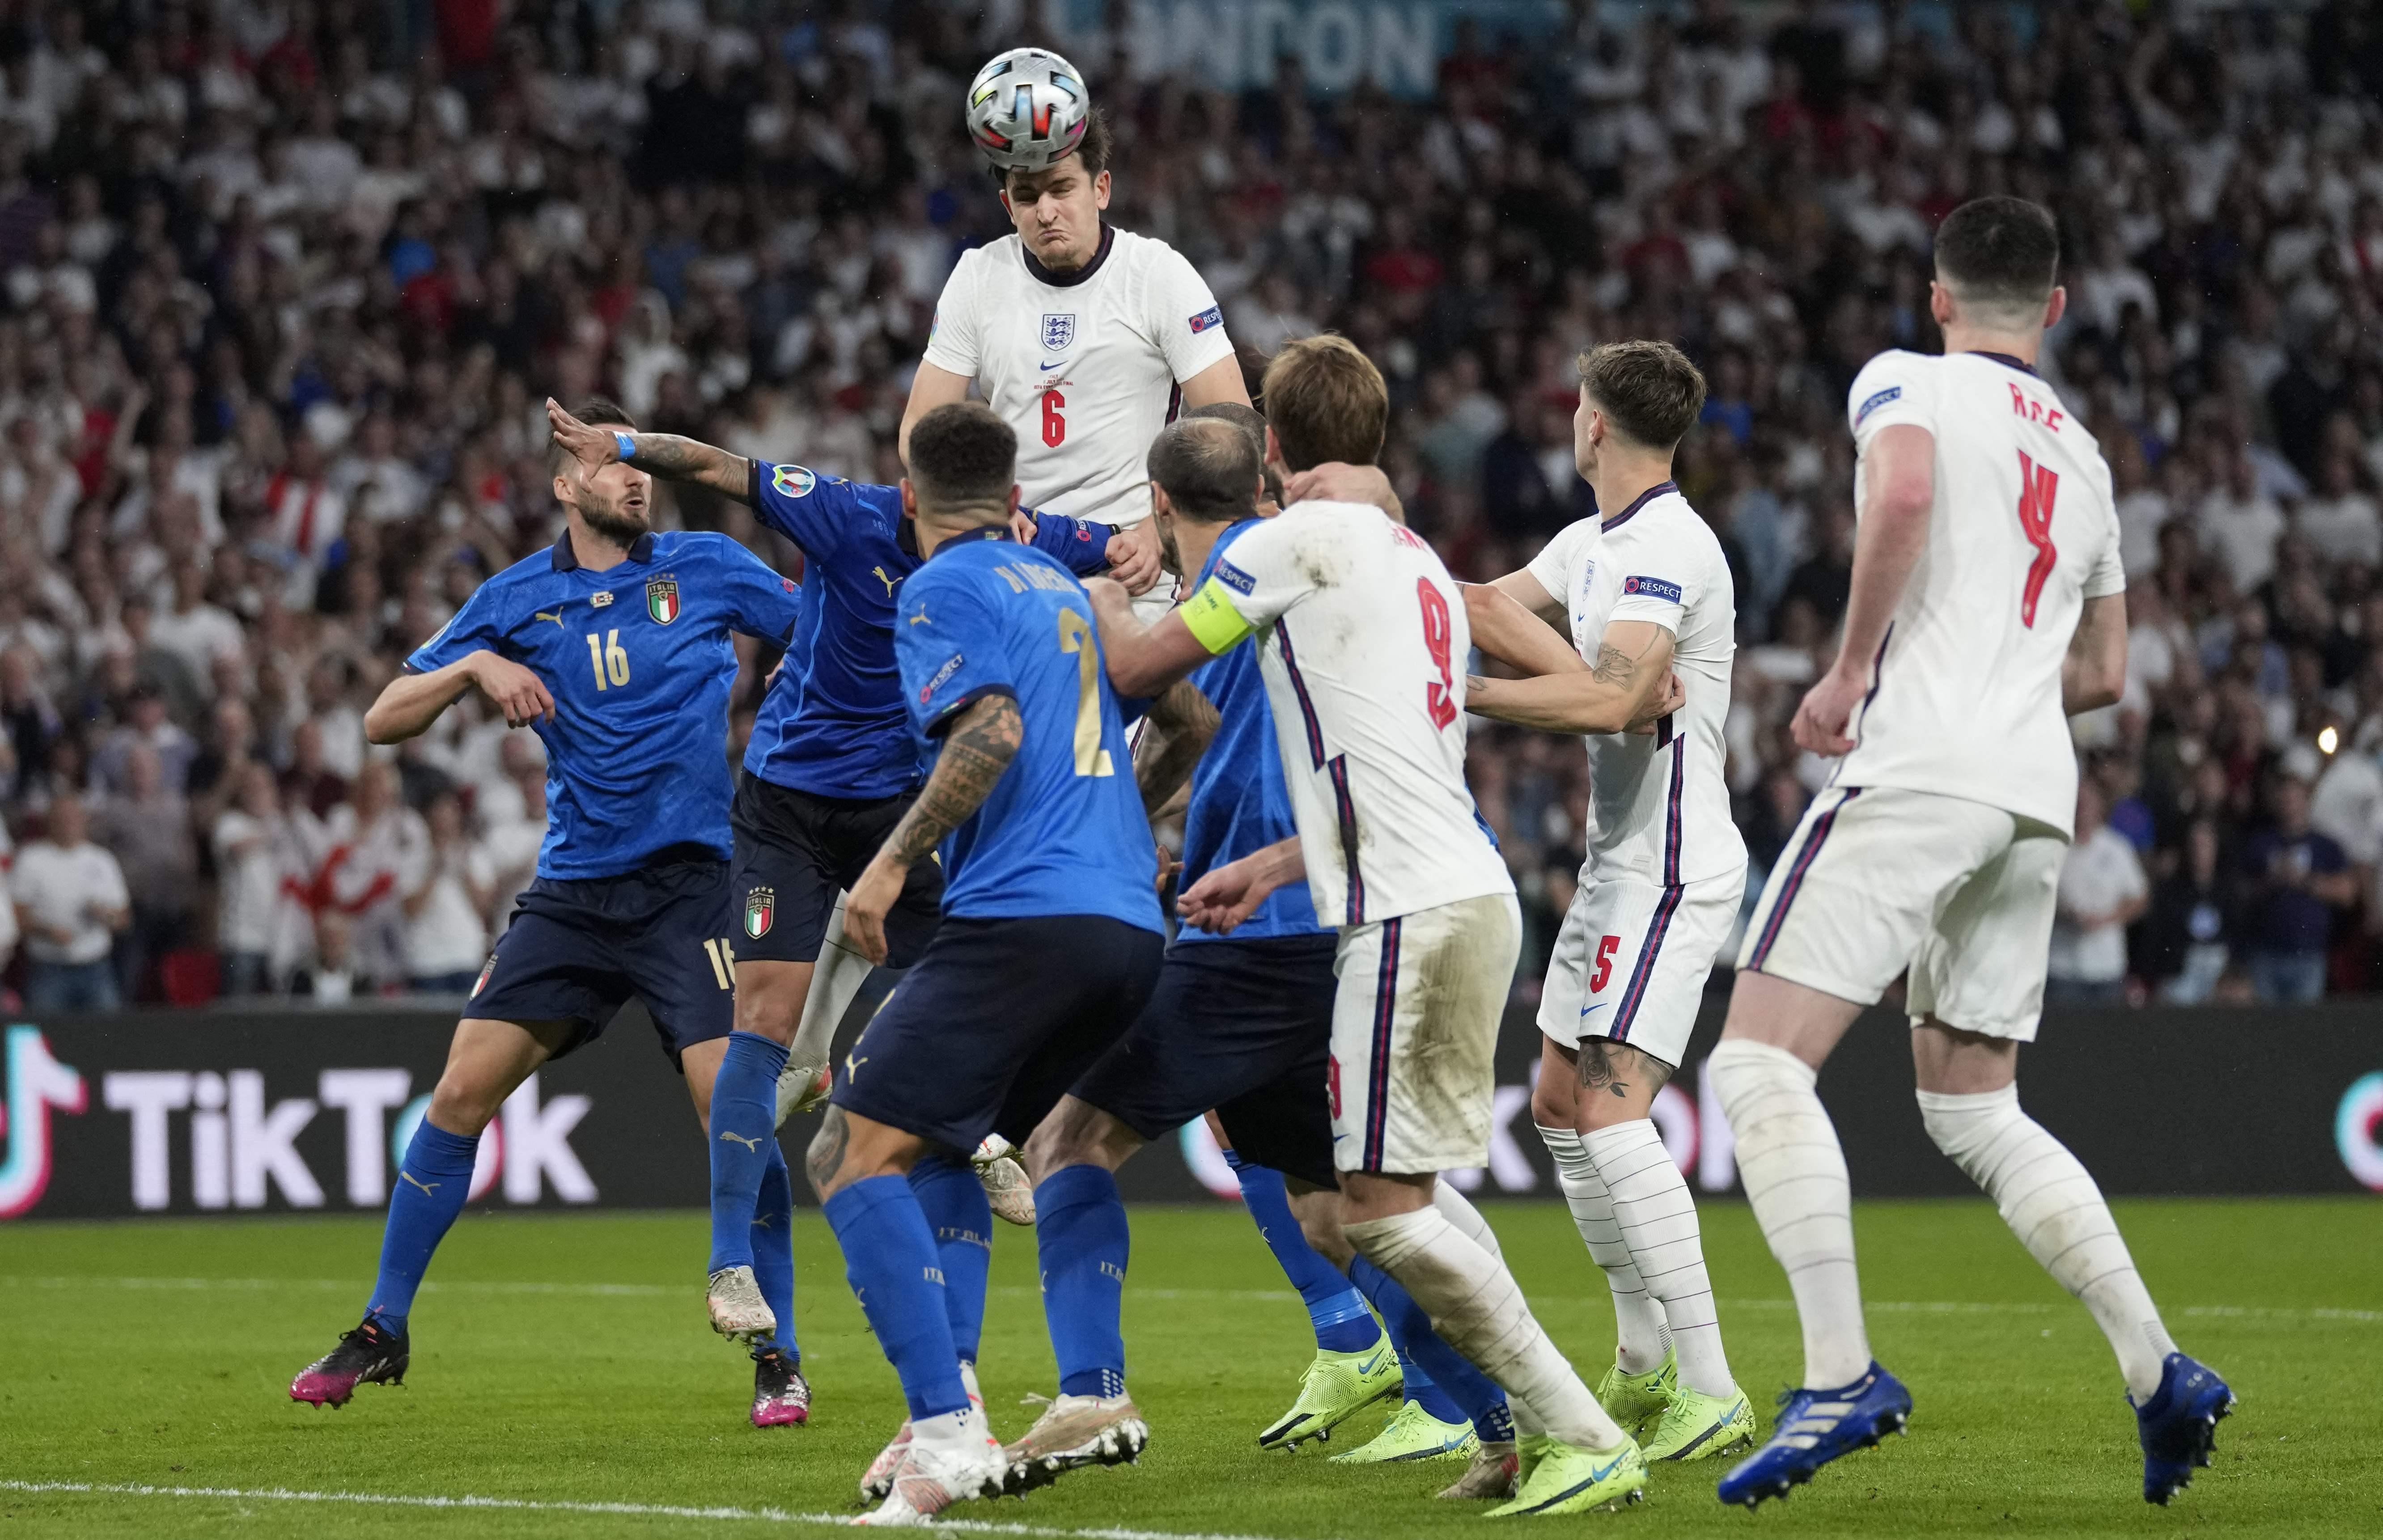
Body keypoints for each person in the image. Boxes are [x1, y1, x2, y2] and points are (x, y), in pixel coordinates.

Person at [1707, 197, 2230, 1508]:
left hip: (1921, 761)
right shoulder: (2091, 458)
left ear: (1938, 297)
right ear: (2054, 309)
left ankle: (1839, 1372)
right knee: (1974, 1104)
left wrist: (1848, 672)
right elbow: (2105, 671)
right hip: (2036, 791)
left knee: (1758, 1064)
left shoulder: (1907, 380)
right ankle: (2156, 1365)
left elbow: (1902, 488)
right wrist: (2004, 695)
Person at [1085, 334, 1650, 1517]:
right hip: (1433, 888)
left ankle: (1579, 1432)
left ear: (1274, 451)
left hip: (1407, 914)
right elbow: (1408, 763)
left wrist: (1087, 574)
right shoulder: (1412, 560)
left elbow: (1140, 668)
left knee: (1378, 1214)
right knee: (1386, 1204)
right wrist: (1280, 861)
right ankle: (1521, 1434)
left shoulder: (1293, 541)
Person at [540, 395, 1131, 1357]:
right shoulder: (847, 513)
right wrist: (626, 445)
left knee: (995, 976)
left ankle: (988, 1135)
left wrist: (1155, 550)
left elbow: (1128, 544)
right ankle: (732, 1262)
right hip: (787, 806)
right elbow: (722, 467)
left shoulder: (1007, 533)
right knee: (763, 1023)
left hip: (899, 807)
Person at [1014, 410, 1518, 1494]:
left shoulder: (1238, 586)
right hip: (1329, 922)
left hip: (1258, 944)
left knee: (1069, 1140)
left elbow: (1149, 682)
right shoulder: (1319, 574)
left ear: (1157, 504)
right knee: (1342, 1214)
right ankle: (1499, 1419)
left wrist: (1101, 592)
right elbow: (1212, 725)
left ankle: (1092, 1389)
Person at [287, 398, 810, 1432]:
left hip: (691, 885)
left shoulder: (706, 567)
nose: (633, 475)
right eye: (609, 462)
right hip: (574, 895)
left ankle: (778, 1352)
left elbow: (826, 635)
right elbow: (381, 717)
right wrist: (475, 666)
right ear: (566, 486)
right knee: (459, 1092)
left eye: (637, 459)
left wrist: (800, 714)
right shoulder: (517, 597)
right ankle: (384, 1327)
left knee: (732, 1111)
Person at [801, 401, 1166, 1526]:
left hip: (1022, 921)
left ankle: (952, 1433)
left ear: (908, 501)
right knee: (944, 1141)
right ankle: (941, 1411)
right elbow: (1183, 715)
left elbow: (992, 731)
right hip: (1127, 925)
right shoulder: (1064, 589)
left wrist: (886, 867)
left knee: (843, 1152)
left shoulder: (937, 587)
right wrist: (1111, 829)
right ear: (1018, 506)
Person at [1463, 339, 1757, 1464]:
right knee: (1551, 1103)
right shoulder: (1592, 543)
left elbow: (1619, 704)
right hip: (1616, 863)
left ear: (1594, 427)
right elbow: (1488, 600)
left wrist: (1472, 691)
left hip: (1672, 865)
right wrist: (1385, 586)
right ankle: (1638, 1363)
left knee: (1609, 1111)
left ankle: (1712, 1383)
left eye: (1576, 409)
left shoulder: (1667, 547)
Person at [902, 52, 1250, 620]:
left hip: (1136, 574)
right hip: (1017, 562)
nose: (1046, 211)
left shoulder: (1157, 274)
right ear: (1006, 205)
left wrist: (1161, 529)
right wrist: (975, 506)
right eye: (1027, 196)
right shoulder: (977, 277)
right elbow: (920, 425)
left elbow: (1233, 423)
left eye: (1062, 188)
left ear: (1102, 188)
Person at [2240, 766, 2354, 1003]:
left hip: (2309, 956)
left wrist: (2306, 881)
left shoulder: (2325, 846)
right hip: (2266, 954)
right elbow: (2241, 893)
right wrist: (2272, 881)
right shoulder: (2261, 843)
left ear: (2306, 799)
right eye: (2284, 796)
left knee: (2303, 1032)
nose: (2289, 803)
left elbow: (2348, 892)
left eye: (2295, 796)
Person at [9, 792, 131, 1011]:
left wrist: (105, 916)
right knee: (44, 1036)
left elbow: (123, 918)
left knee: (109, 1036)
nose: (68, 824)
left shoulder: (102, 860)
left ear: (84, 820)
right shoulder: (31, 859)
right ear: (49, 821)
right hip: (48, 968)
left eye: (73, 817)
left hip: (96, 966)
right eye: (61, 818)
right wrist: (47, 931)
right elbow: (16, 916)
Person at [2046, 779, 2149, 1004]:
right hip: (2063, 965)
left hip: (2107, 965)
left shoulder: (2117, 848)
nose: (2082, 809)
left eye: (2088, 803)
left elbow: (2139, 897)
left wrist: (2107, 919)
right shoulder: (2056, 848)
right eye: (2078, 802)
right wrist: (2067, 914)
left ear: (2100, 806)